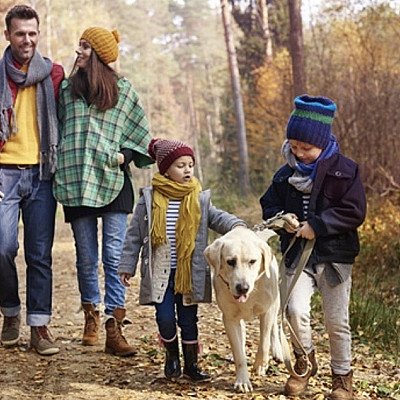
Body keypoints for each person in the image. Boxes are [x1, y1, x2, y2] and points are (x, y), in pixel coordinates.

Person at [53, 27, 153, 357]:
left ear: (97, 54)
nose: (78, 51)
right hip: (77, 180)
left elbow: (140, 133)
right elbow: (58, 128)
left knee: (113, 255)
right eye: (79, 44)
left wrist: (123, 155)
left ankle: (114, 324)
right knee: (86, 257)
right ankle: (91, 315)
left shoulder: (123, 91)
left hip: (113, 181)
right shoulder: (67, 89)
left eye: (84, 46)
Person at [260, 95, 366, 400]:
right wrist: (283, 220)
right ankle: (303, 364)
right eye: (294, 146)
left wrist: (317, 226)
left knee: (336, 321)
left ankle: (342, 379)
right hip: (297, 256)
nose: (299, 153)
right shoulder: (284, 175)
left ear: (323, 142)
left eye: (307, 148)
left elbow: (354, 210)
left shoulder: (346, 170)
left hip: (335, 257)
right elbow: (269, 206)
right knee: (294, 310)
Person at [118, 138, 246, 381]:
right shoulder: (149, 200)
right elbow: (134, 235)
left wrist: (239, 226)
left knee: (189, 320)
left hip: (189, 271)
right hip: (160, 271)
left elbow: (219, 219)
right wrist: (127, 265)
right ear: (165, 169)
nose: (187, 170)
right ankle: (172, 355)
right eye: (180, 165)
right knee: (165, 318)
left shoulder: (199, 199)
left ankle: (191, 365)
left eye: (190, 164)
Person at [0, 4, 64, 356]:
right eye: (20, 33)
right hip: (3, 172)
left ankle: (39, 325)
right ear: (8, 34)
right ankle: (10, 311)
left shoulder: (53, 74)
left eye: (32, 33)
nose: (27, 39)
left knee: (40, 254)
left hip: (41, 173)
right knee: (2, 248)